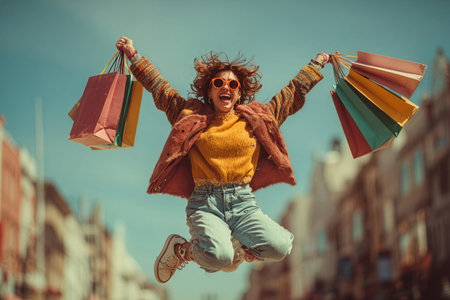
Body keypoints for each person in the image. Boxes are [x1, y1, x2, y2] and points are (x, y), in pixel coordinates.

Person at [116, 36, 329, 283]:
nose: (225, 87)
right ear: (210, 90)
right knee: (218, 259)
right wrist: (134, 56)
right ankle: (179, 251)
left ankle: (236, 247)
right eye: (218, 83)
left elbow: (291, 95)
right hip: (205, 203)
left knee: (280, 247)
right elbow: (160, 89)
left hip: (242, 202)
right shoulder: (192, 116)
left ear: (239, 94)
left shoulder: (256, 119)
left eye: (233, 85)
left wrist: (317, 65)